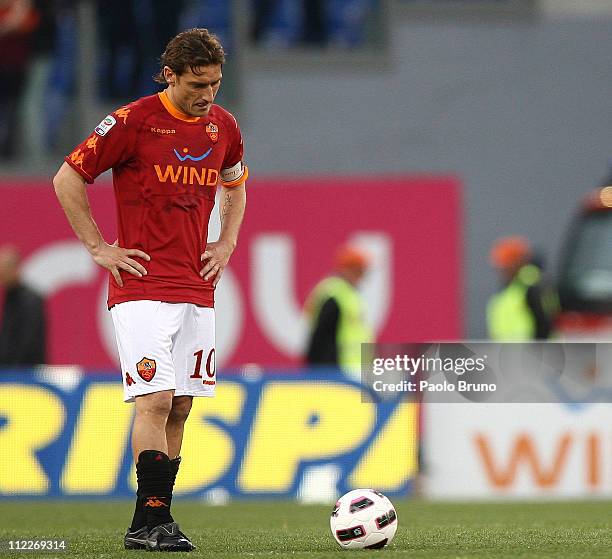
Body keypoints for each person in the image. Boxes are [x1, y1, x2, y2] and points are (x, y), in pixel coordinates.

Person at [53, 28, 247, 552]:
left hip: (197, 288)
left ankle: (151, 521)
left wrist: (226, 240)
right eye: (196, 85)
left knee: (181, 405)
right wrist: (98, 248)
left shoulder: (222, 126)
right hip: (142, 287)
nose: (207, 96)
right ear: (170, 75)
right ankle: (152, 519)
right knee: (155, 399)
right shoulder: (132, 121)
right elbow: (67, 179)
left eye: (215, 85)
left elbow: (236, 182)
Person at [304, 244, 374, 378]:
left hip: (353, 368)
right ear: (347, 269)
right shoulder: (334, 295)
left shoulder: (349, 293)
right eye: (359, 271)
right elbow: (321, 337)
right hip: (338, 370)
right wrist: (322, 371)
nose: (362, 276)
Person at [487, 236, 559, 341]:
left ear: (517, 263)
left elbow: (545, 324)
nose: (501, 272)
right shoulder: (513, 288)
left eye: (505, 266)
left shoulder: (533, 285)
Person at [0, 244, 46, 366]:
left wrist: (8, 369)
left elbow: (28, 343)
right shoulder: (9, 297)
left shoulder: (30, 300)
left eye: (3, 271)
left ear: (15, 269)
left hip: (26, 373)